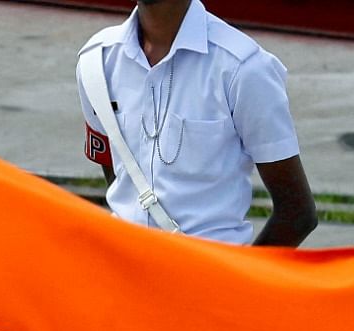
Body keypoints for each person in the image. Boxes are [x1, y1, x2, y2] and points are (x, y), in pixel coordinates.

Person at [76, 0, 317, 247]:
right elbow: (118, 179)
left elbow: (297, 213)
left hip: (209, 272)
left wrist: (236, 282)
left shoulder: (243, 68)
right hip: (123, 271)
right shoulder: (96, 62)